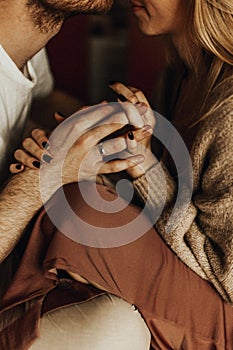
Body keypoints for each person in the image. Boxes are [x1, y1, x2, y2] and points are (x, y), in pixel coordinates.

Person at [1, 0, 233, 349]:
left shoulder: (228, 111)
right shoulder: (178, 78)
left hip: (222, 315)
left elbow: (228, 276)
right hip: (188, 282)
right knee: (78, 199)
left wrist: (138, 168)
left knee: (83, 208)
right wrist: (107, 160)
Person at [0, 0, 151, 349]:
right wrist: (46, 175)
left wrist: (112, 129)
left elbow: (39, 99)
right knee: (116, 331)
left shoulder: (27, 45)